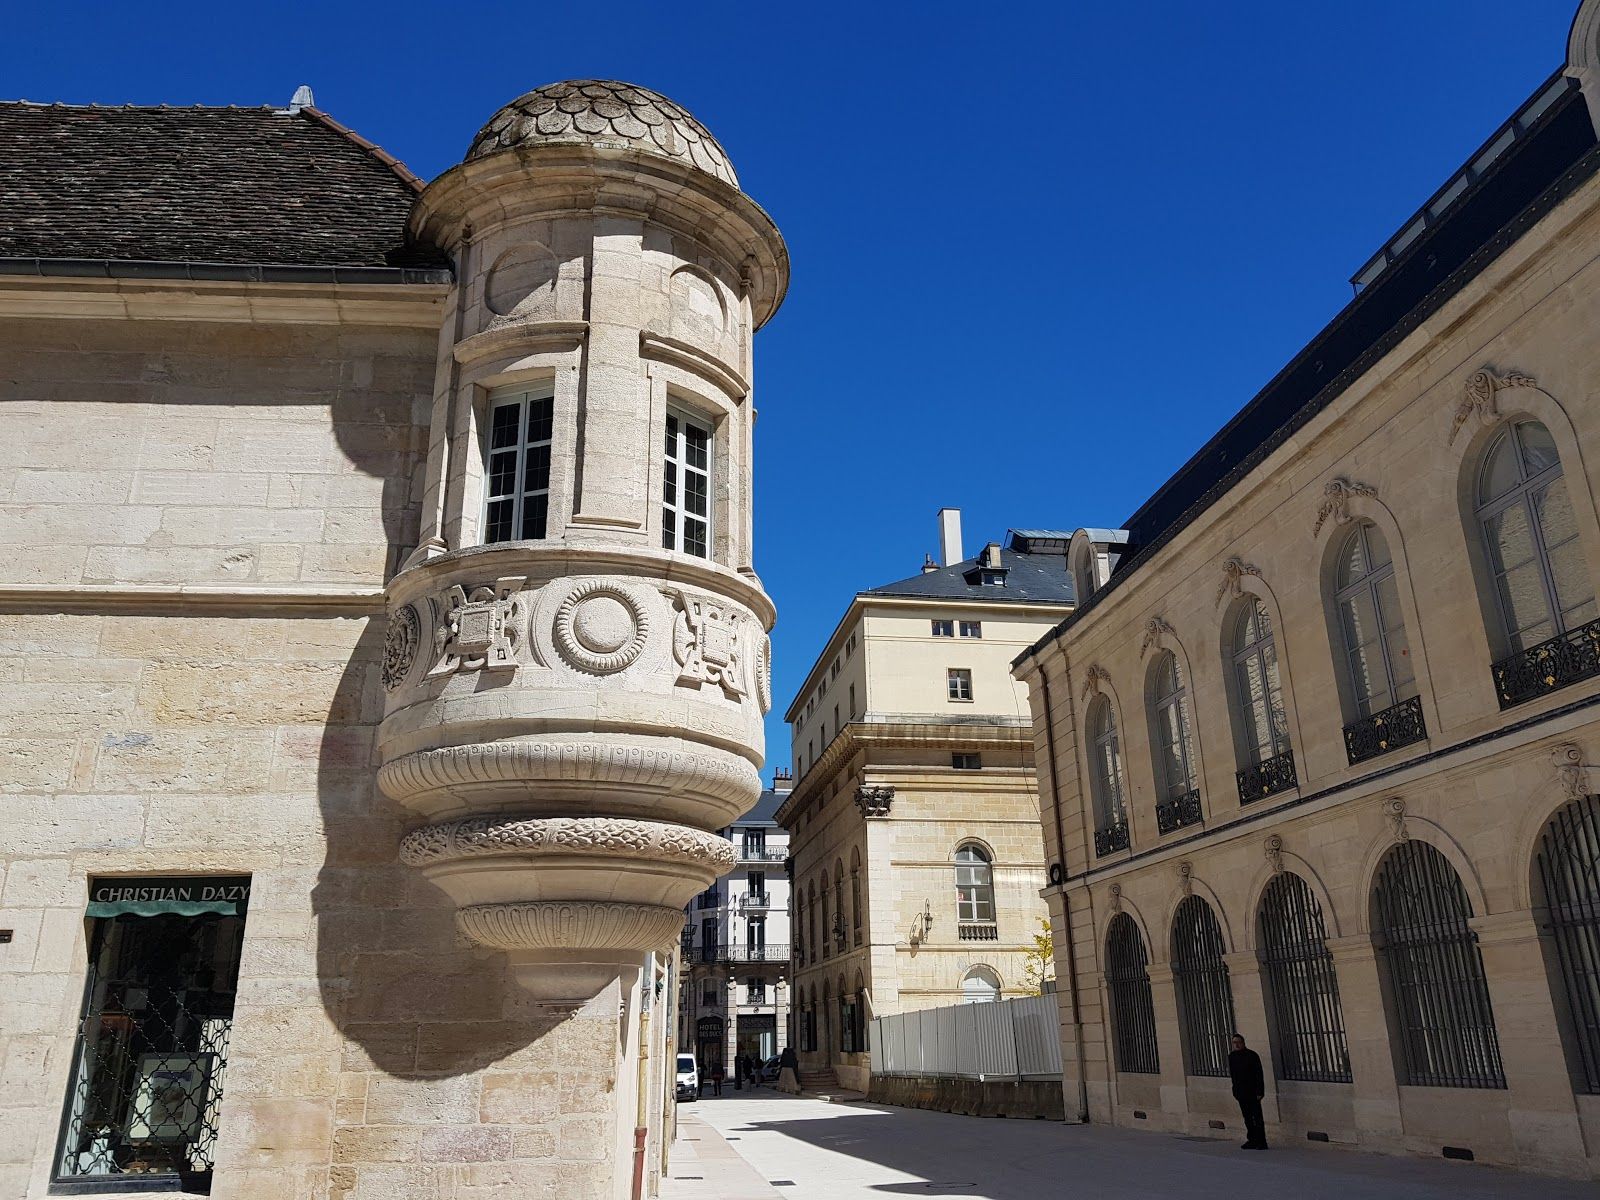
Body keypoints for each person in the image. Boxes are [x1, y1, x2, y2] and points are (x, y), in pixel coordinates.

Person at [1228, 1034, 1267, 1149]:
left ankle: (1261, 1141)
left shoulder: (1252, 1055)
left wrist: (1260, 1091)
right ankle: (1252, 1139)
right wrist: (1235, 1090)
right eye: (1234, 1042)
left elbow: (1259, 1074)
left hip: (1253, 1091)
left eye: (1238, 1042)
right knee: (1247, 1117)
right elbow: (1233, 1075)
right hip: (1241, 1092)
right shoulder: (1232, 1057)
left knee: (1257, 1117)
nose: (1237, 1044)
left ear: (1243, 1043)